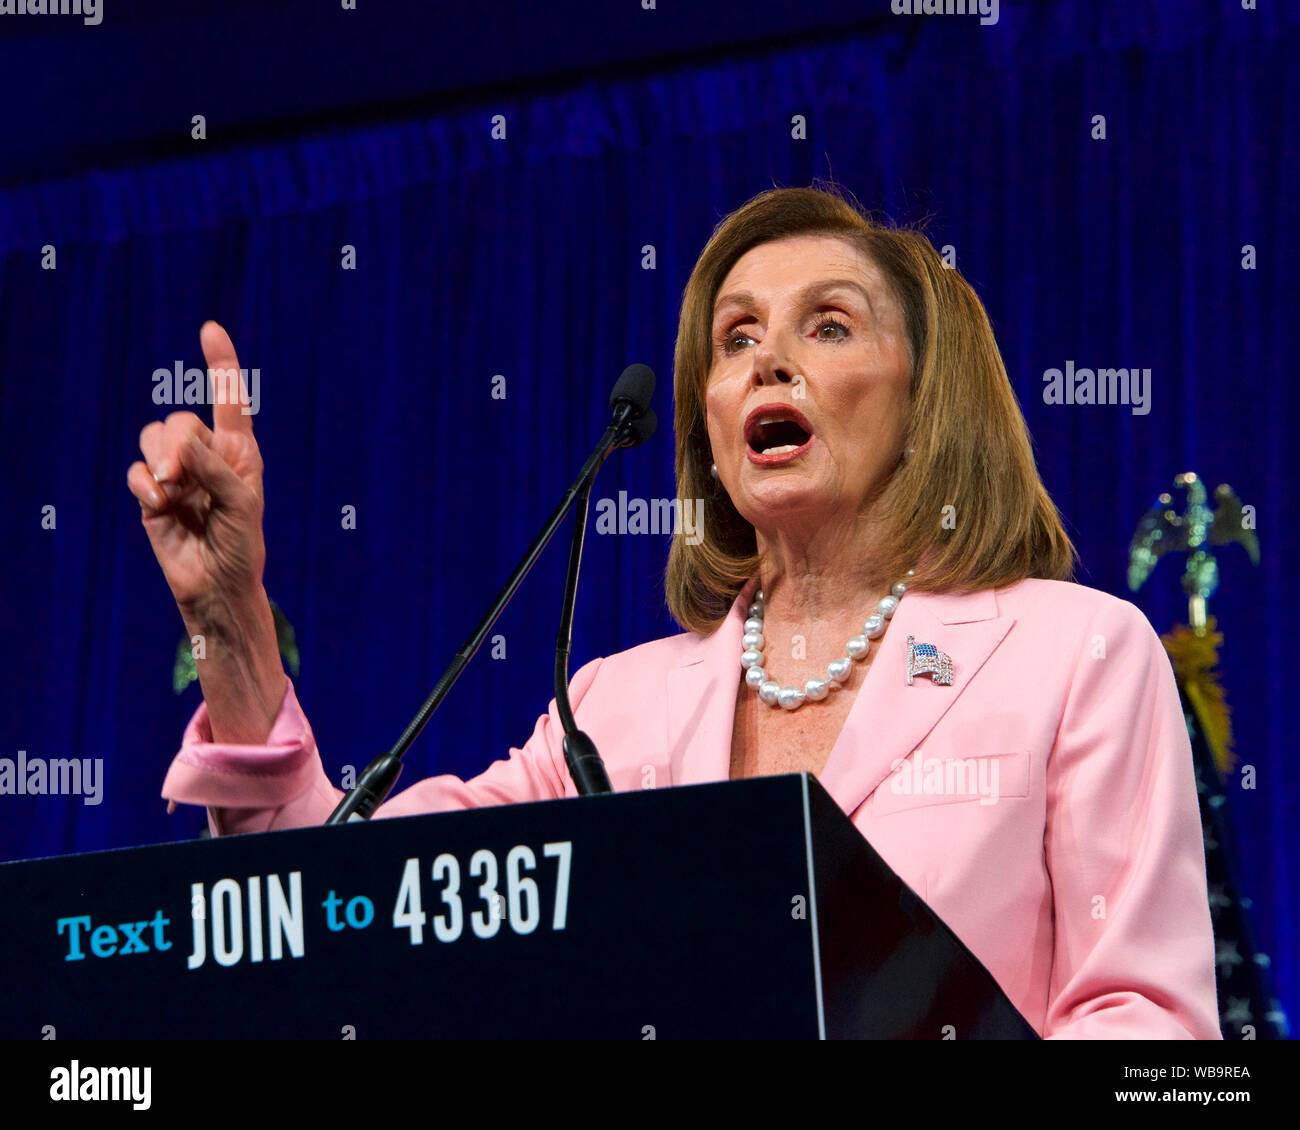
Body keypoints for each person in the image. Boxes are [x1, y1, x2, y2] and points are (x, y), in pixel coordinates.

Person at [127, 184, 1220, 1039]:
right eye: (735, 338)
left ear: (926, 397)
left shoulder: (1072, 650)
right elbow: (351, 903)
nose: (765, 361)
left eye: (828, 327)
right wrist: (230, 616)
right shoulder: (616, 706)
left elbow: (1145, 1022)